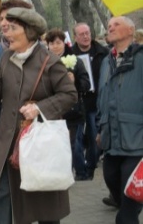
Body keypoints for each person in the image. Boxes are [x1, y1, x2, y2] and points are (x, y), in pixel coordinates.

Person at [0, 7, 77, 224]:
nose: (7, 33)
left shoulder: (49, 61)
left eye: (13, 28)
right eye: (7, 28)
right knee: (3, 195)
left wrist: (39, 108)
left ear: (30, 31)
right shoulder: (5, 58)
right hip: (8, 144)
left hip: (39, 144)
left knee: (44, 204)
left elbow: (70, 95)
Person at [96, 15, 143, 224]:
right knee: (110, 177)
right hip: (111, 138)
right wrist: (100, 127)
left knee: (127, 209)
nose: (110, 28)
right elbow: (102, 96)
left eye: (116, 24)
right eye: (108, 26)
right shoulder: (107, 61)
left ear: (131, 31)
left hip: (137, 139)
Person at [45, 28, 90, 177]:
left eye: (58, 42)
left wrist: (75, 81)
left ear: (64, 43)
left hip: (72, 112)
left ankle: (69, 172)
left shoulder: (75, 61)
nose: (55, 46)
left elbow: (86, 84)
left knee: (70, 145)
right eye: (51, 43)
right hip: (51, 111)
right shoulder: (43, 62)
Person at [0, 0, 33, 130]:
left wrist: (39, 108)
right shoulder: (1, 52)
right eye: (1, 19)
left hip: (35, 132)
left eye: (9, 18)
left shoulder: (44, 57)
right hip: (6, 127)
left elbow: (67, 95)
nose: (4, 23)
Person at [72, 22, 109, 180]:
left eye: (87, 33)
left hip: (96, 101)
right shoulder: (70, 54)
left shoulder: (103, 52)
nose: (86, 36)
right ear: (75, 37)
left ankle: (91, 166)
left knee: (95, 137)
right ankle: (80, 171)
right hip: (78, 102)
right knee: (76, 139)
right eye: (82, 34)